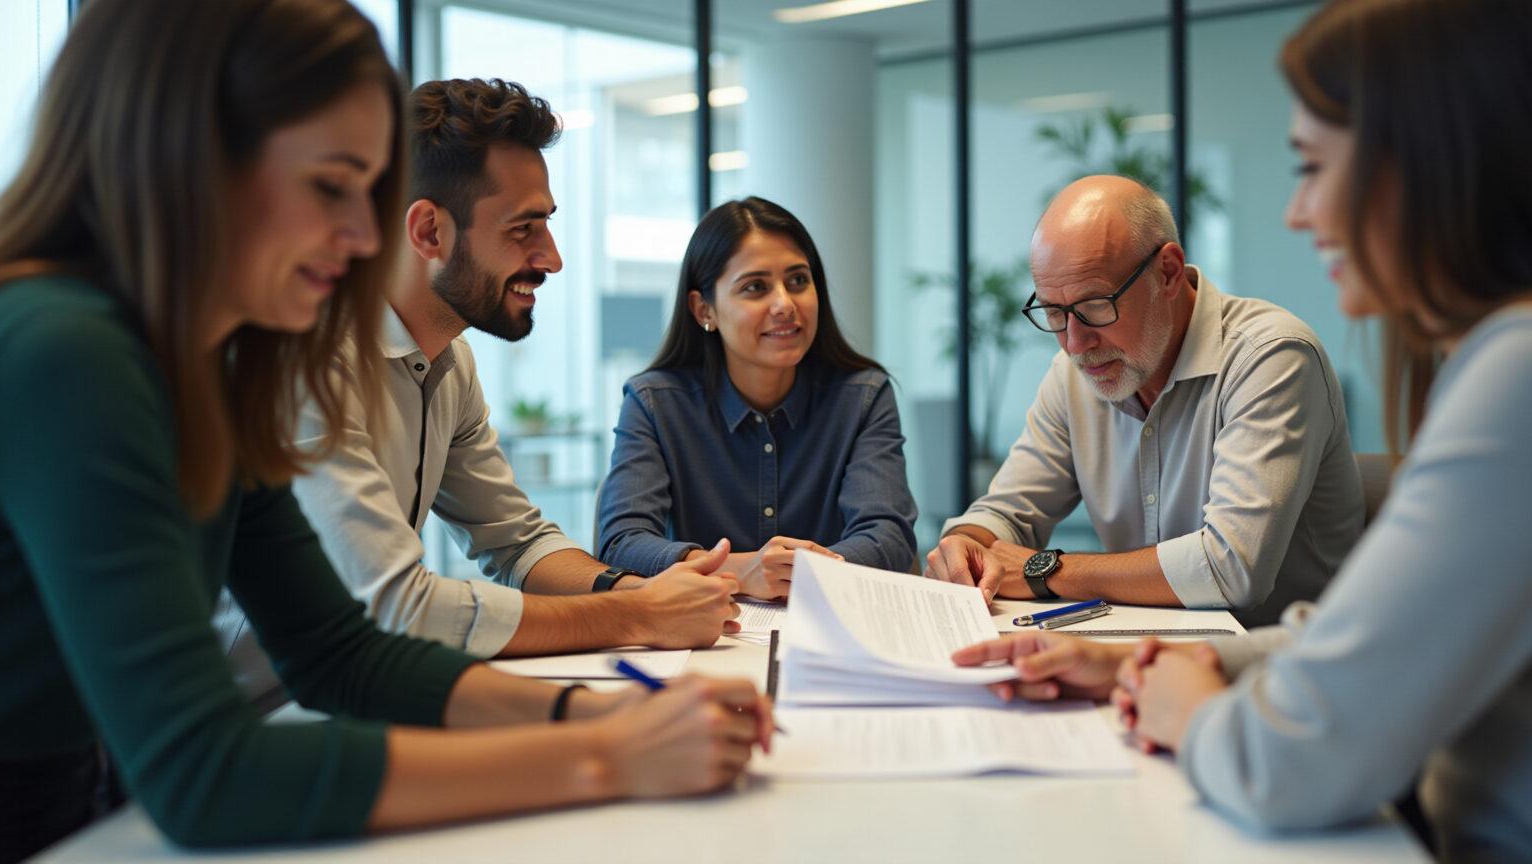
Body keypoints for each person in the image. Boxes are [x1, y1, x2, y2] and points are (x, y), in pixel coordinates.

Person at [0, 2, 767, 859]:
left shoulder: (211, 359)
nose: (365, 236)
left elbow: (342, 652)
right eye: (332, 187)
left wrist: (602, 710)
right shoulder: (63, 347)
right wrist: (602, 754)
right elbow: (203, 771)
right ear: (186, 163)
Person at [955, 0, 1532, 859]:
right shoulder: (1493, 363)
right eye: (1058, 314)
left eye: (1311, 166)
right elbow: (1332, 640)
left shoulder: (1509, 377)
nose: (1298, 214)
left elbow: (1285, 761)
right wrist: (1137, 664)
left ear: (1415, 169)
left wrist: (1184, 704)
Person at [216, 78, 741, 680]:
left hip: (348, 696)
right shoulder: (307, 360)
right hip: (250, 715)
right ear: (428, 232)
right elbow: (394, 603)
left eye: (546, 224)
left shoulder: (450, 363)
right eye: (523, 229)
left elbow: (515, 541)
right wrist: (633, 614)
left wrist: (633, 590)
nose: (552, 257)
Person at [926, 175, 1363, 627]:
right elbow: (1006, 512)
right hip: (1146, 654)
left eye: (1095, 306)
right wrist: (967, 544)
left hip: (1288, 665)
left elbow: (1232, 568)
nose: (1075, 343)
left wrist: (1049, 570)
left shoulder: (1270, 357)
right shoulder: (1074, 376)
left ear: (1168, 273)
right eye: (1054, 313)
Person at [596, 197, 918, 600]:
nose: (785, 304)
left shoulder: (863, 397)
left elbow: (889, 535)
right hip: (704, 635)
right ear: (704, 310)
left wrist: (808, 573)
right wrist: (739, 570)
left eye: (798, 280)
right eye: (755, 287)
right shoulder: (655, 403)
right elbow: (622, 542)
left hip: (832, 624)